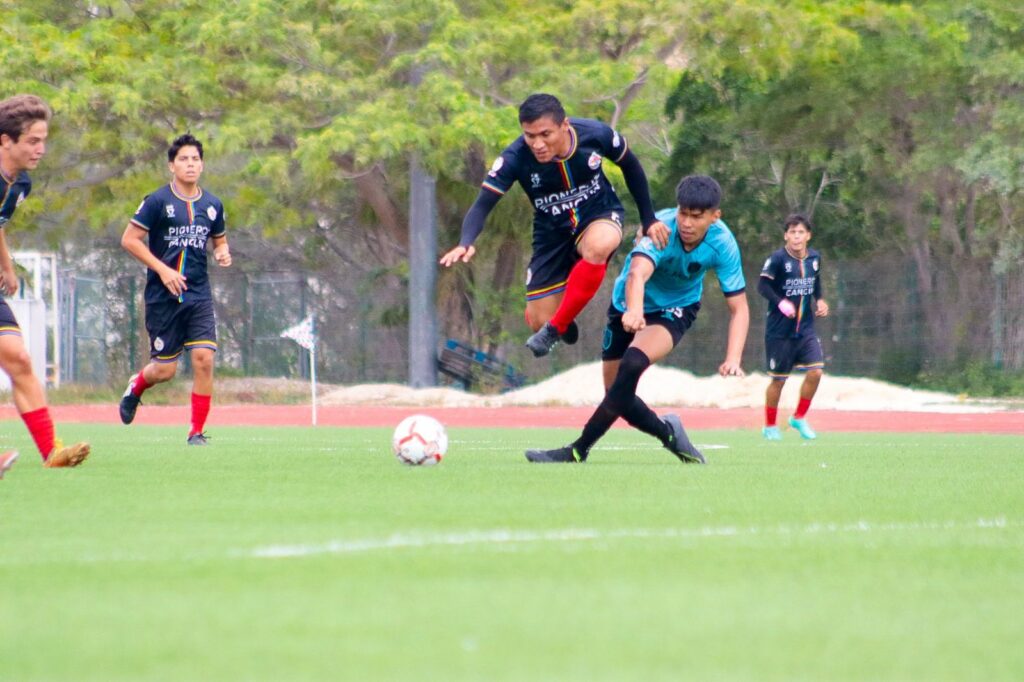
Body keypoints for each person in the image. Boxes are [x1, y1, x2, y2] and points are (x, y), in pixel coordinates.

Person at [526, 175, 749, 464]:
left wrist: (733, 358)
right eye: (683, 213)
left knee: (632, 364)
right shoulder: (660, 229)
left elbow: (739, 308)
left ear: (715, 216)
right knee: (617, 394)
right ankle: (670, 435)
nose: (687, 223)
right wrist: (633, 310)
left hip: (676, 309)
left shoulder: (724, 243)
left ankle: (578, 450)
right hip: (626, 304)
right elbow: (637, 274)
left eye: (697, 216)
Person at [439, 93, 669, 357]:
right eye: (529, 135)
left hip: (599, 213)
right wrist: (466, 241)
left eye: (545, 134)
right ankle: (561, 320)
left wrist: (648, 218)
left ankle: (555, 327)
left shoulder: (596, 135)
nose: (537, 143)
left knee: (598, 246)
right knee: (537, 321)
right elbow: (482, 203)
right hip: (552, 231)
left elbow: (632, 166)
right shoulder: (515, 157)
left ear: (564, 125)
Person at [118, 133, 231, 444]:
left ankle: (196, 432)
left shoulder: (212, 205)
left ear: (203, 164)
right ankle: (137, 386)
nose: (190, 164)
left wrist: (222, 252)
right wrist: (163, 270)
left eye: (195, 159)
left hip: (198, 294)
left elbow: (219, 241)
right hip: (163, 297)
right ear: (172, 165)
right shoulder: (156, 202)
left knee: (204, 359)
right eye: (183, 159)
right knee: (165, 371)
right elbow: (129, 240)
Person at [0, 94, 90, 476]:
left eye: (44, 139)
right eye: (33, 140)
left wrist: (8, 267)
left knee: (19, 358)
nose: (41, 148)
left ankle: (51, 451)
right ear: (6, 140)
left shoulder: (20, 185)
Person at [757, 213, 828, 440]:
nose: (796, 237)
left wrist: (820, 300)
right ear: (786, 235)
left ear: (808, 235)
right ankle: (770, 426)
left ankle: (798, 418)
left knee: (816, 371)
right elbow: (762, 286)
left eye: (801, 232)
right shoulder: (777, 259)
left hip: (805, 330)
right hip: (779, 332)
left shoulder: (814, 258)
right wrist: (780, 302)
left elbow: (815, 282)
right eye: (792, 232)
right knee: (778, 380)